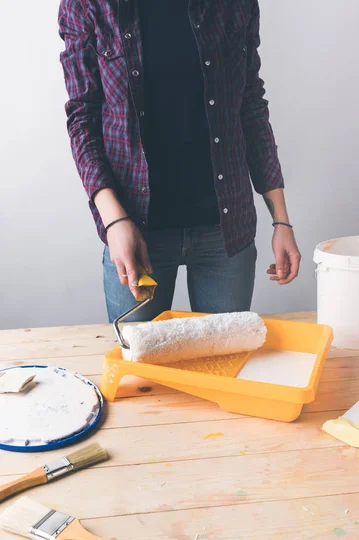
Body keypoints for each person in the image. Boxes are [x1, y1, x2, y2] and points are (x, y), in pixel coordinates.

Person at [58, 0, 301, 322]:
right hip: (135, 229)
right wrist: (113, 221)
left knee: (222, 365)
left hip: (226, 231)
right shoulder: (88, 5)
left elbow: (251, 107)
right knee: (138, 369)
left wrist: (281, 220)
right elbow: (82, 118)